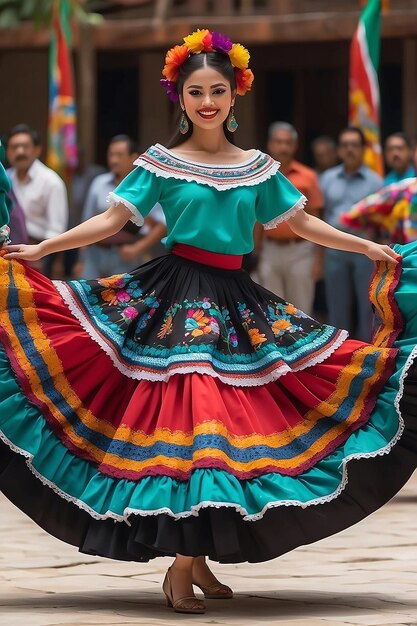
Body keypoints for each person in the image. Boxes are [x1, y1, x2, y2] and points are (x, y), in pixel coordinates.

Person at [0, 29, 417, 618]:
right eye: (195, 91)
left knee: (231, 430)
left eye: (217, 90)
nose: (206, 101)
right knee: (195, 425)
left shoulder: (257, 167)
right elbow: (114, 219)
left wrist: (365, 247)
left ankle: (194, 562)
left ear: (234, 95)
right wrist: (45, 249)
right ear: (181, 98)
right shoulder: (161, 162)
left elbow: (300, 225)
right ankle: (181, 565)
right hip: (172, 296)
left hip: (237, 300)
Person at [320, 127, 383, 341]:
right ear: (339, 149)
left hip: (364, 251)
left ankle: (368, 355)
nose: (350, 150)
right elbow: (320, 215)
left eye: (354, 145)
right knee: (337, 306)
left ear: (363, 149)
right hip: (334, 251)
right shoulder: (327, 178)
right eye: (345, 145)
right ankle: (340, 355)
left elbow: (381, 219)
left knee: (368, 308)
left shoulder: (375, 181)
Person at [259, 122, 323, 315]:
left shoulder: (308, 176)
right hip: (269, 249)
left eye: (288, 142)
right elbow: (255, 216)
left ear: (295, 146)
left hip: (301, 251)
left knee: (302, 310)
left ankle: (305, 346)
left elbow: (316, 217)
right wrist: (255, 250)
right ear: (270, 144)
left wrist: (319, 259)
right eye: (278, 142)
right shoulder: (261, 175)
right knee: (271, 309)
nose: (283, 147)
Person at [80, 135, 166, 278]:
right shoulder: (98, 183)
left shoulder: (144, 187)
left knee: (122, 299)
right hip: (94, 253)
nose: (113, 160)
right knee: (87, 296)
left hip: (126, 254)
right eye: (111, 155)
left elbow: (163, 224)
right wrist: (81, 260)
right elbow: (86, 220)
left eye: (119, 155)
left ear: (133, 157)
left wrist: (138, 248)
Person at [6, 123, 68, 273]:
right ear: (7, 152)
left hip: (38, 255)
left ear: (37, 150)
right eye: (14, 147)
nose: (20, 151)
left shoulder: (51, 181)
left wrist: (42, 255)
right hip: (7, 254)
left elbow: (56, 229)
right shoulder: (5, 179)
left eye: (25, 146)